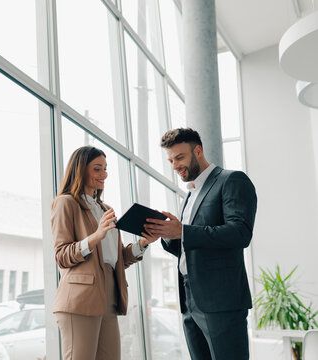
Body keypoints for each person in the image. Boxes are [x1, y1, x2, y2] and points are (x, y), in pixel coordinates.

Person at [144, 128, 257, 360]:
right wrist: (166, 234)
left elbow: (240, 233)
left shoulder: (231, 180)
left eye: (180, 157)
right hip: (189, 300)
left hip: (222, 302)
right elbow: (189, 245)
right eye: (171, 160)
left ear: (198, 151)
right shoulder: (191, 194)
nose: (175, 165)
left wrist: (183, 231)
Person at [51, 146, 158, 360]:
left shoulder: (105, 209)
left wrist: (143, 243)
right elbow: (61, 255)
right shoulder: (66, 202)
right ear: (80, 170)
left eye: (105, 169)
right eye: (97, 169)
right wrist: (95, 236)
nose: (104, 175)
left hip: (110, 294)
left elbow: (116, 258)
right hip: (80, 298)